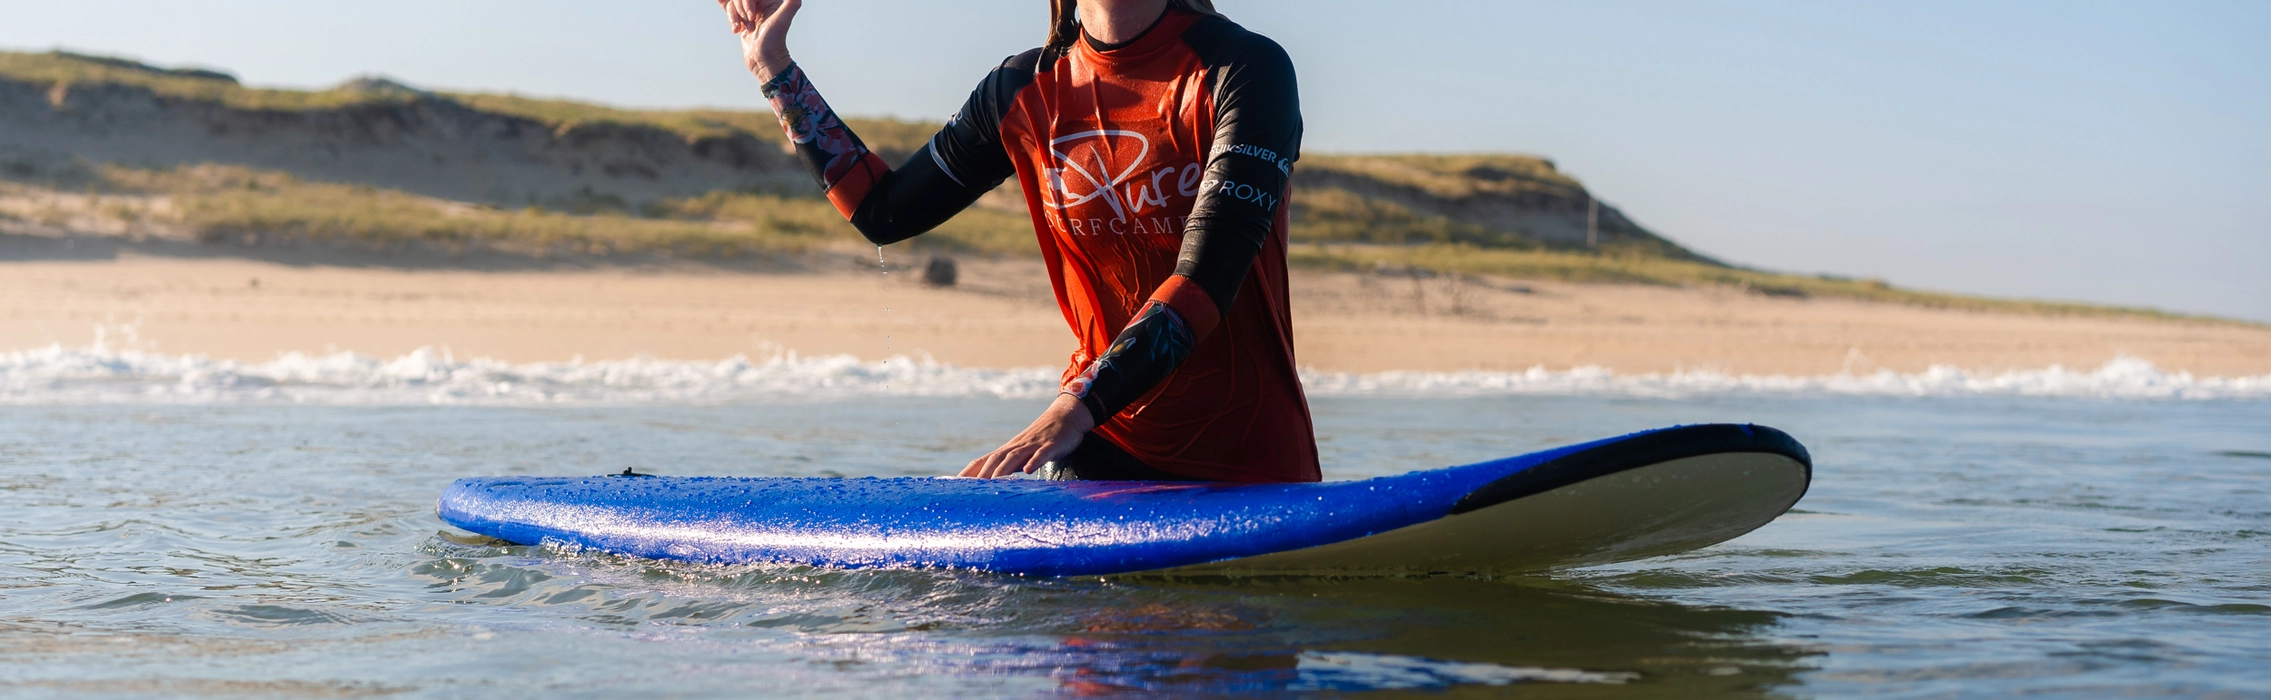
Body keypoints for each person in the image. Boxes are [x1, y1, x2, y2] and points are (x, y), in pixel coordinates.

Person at [718, 0, 1317, 483]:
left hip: (1248, 468)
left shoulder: (1244, 69)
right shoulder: (1022, 90)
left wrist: (1072, 408)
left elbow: (1207, 275)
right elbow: (883, 211)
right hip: (1095, 454)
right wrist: (775, 70)